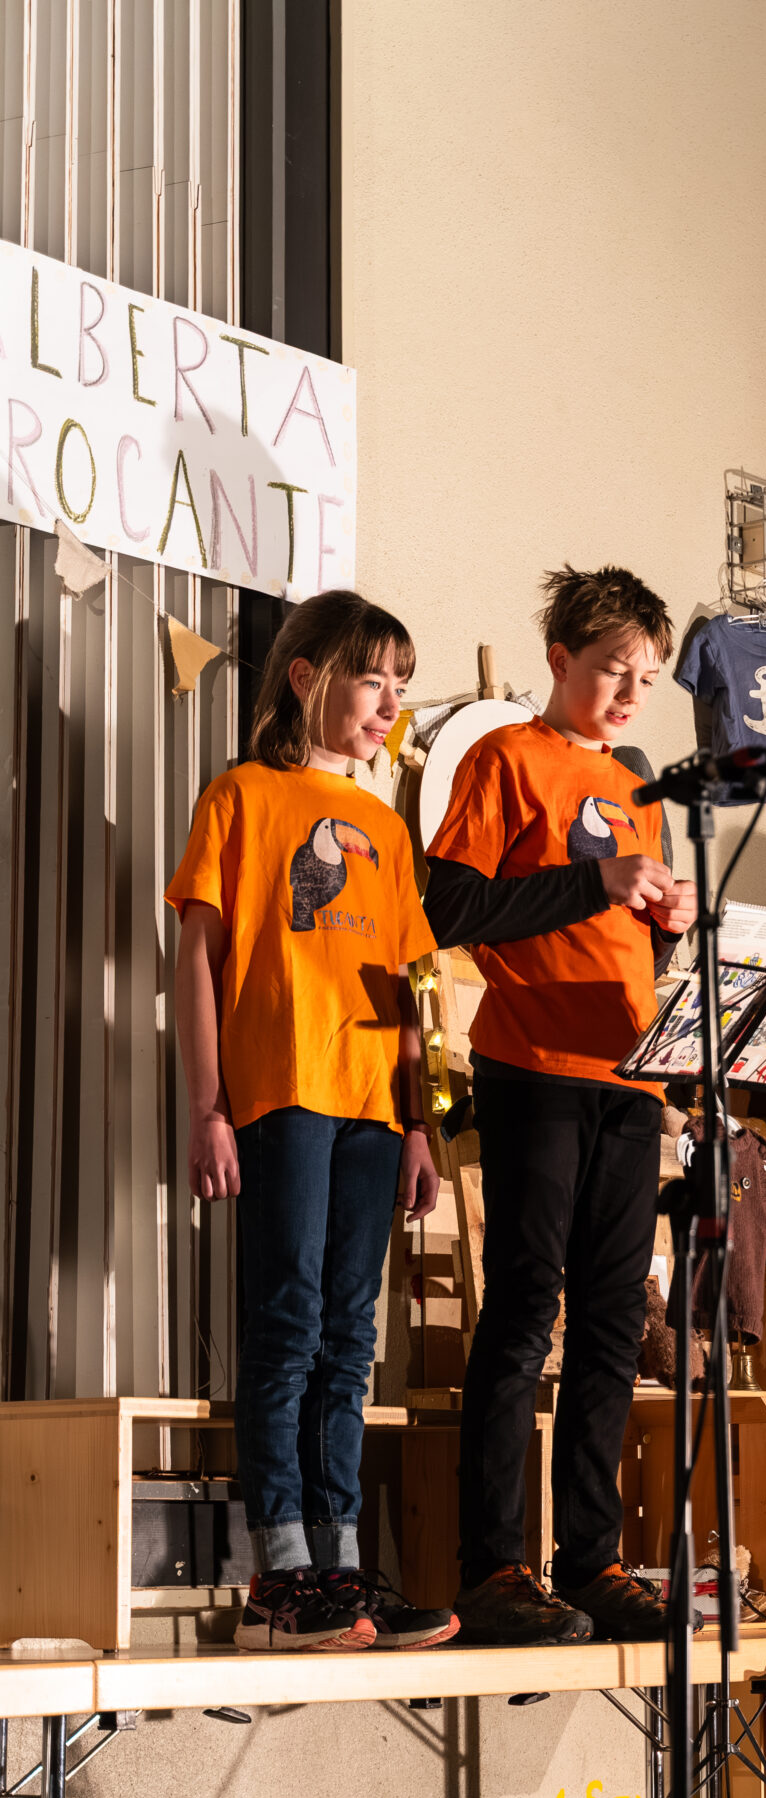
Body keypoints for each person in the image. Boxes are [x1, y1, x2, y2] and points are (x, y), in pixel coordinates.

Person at [168, 591, 456, 1653]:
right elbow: (195, 963)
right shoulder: (242, 795)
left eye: (400, 685)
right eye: (372, 678)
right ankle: (280, 1575)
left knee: (351, 1336)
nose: (389, 703)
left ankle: (341, 1564)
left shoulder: (388, 827)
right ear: (307, 677)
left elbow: (414, 991)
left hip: (375, 1108)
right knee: (287, 1324)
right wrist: (208, 1106)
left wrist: (421, 1124)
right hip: (282, 1095)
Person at [423, 564, 696, 1645]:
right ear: (559, 659)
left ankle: (591, 1559)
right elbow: (453, 906)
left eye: (646, 679)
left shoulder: (635, 787)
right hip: (533, 1066)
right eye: (612, 670)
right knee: (525, 1304)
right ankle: (493, 1564)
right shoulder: (505, 757)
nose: (629, 694)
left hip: (629, 1079)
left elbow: (625, 944)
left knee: (615, 1321)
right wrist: (599, 880)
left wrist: (663, 923)